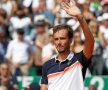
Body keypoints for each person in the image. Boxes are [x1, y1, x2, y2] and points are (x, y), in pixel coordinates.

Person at [41, 1, 94, 90]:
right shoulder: (47, 65)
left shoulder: (79, 60)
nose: (59, 42)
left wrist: (80, 17)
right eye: (56, 39)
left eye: (62, 38)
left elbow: (90, 41)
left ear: (70, 40)